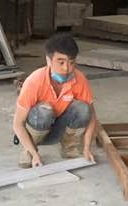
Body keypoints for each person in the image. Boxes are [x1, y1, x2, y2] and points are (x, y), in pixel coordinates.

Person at [13, 33, 97, 169]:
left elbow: (92, 117)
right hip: (38, 128)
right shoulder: (34, 81)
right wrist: (34, 154)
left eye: (71, 62)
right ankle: (29, 150)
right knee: (45, 111)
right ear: (48, 60)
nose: (66, 69)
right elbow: (18, 124)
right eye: (61, 62)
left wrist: (87, 147)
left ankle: (69, 148)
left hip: (59, 129)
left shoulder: (79, 79)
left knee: (83, 109)